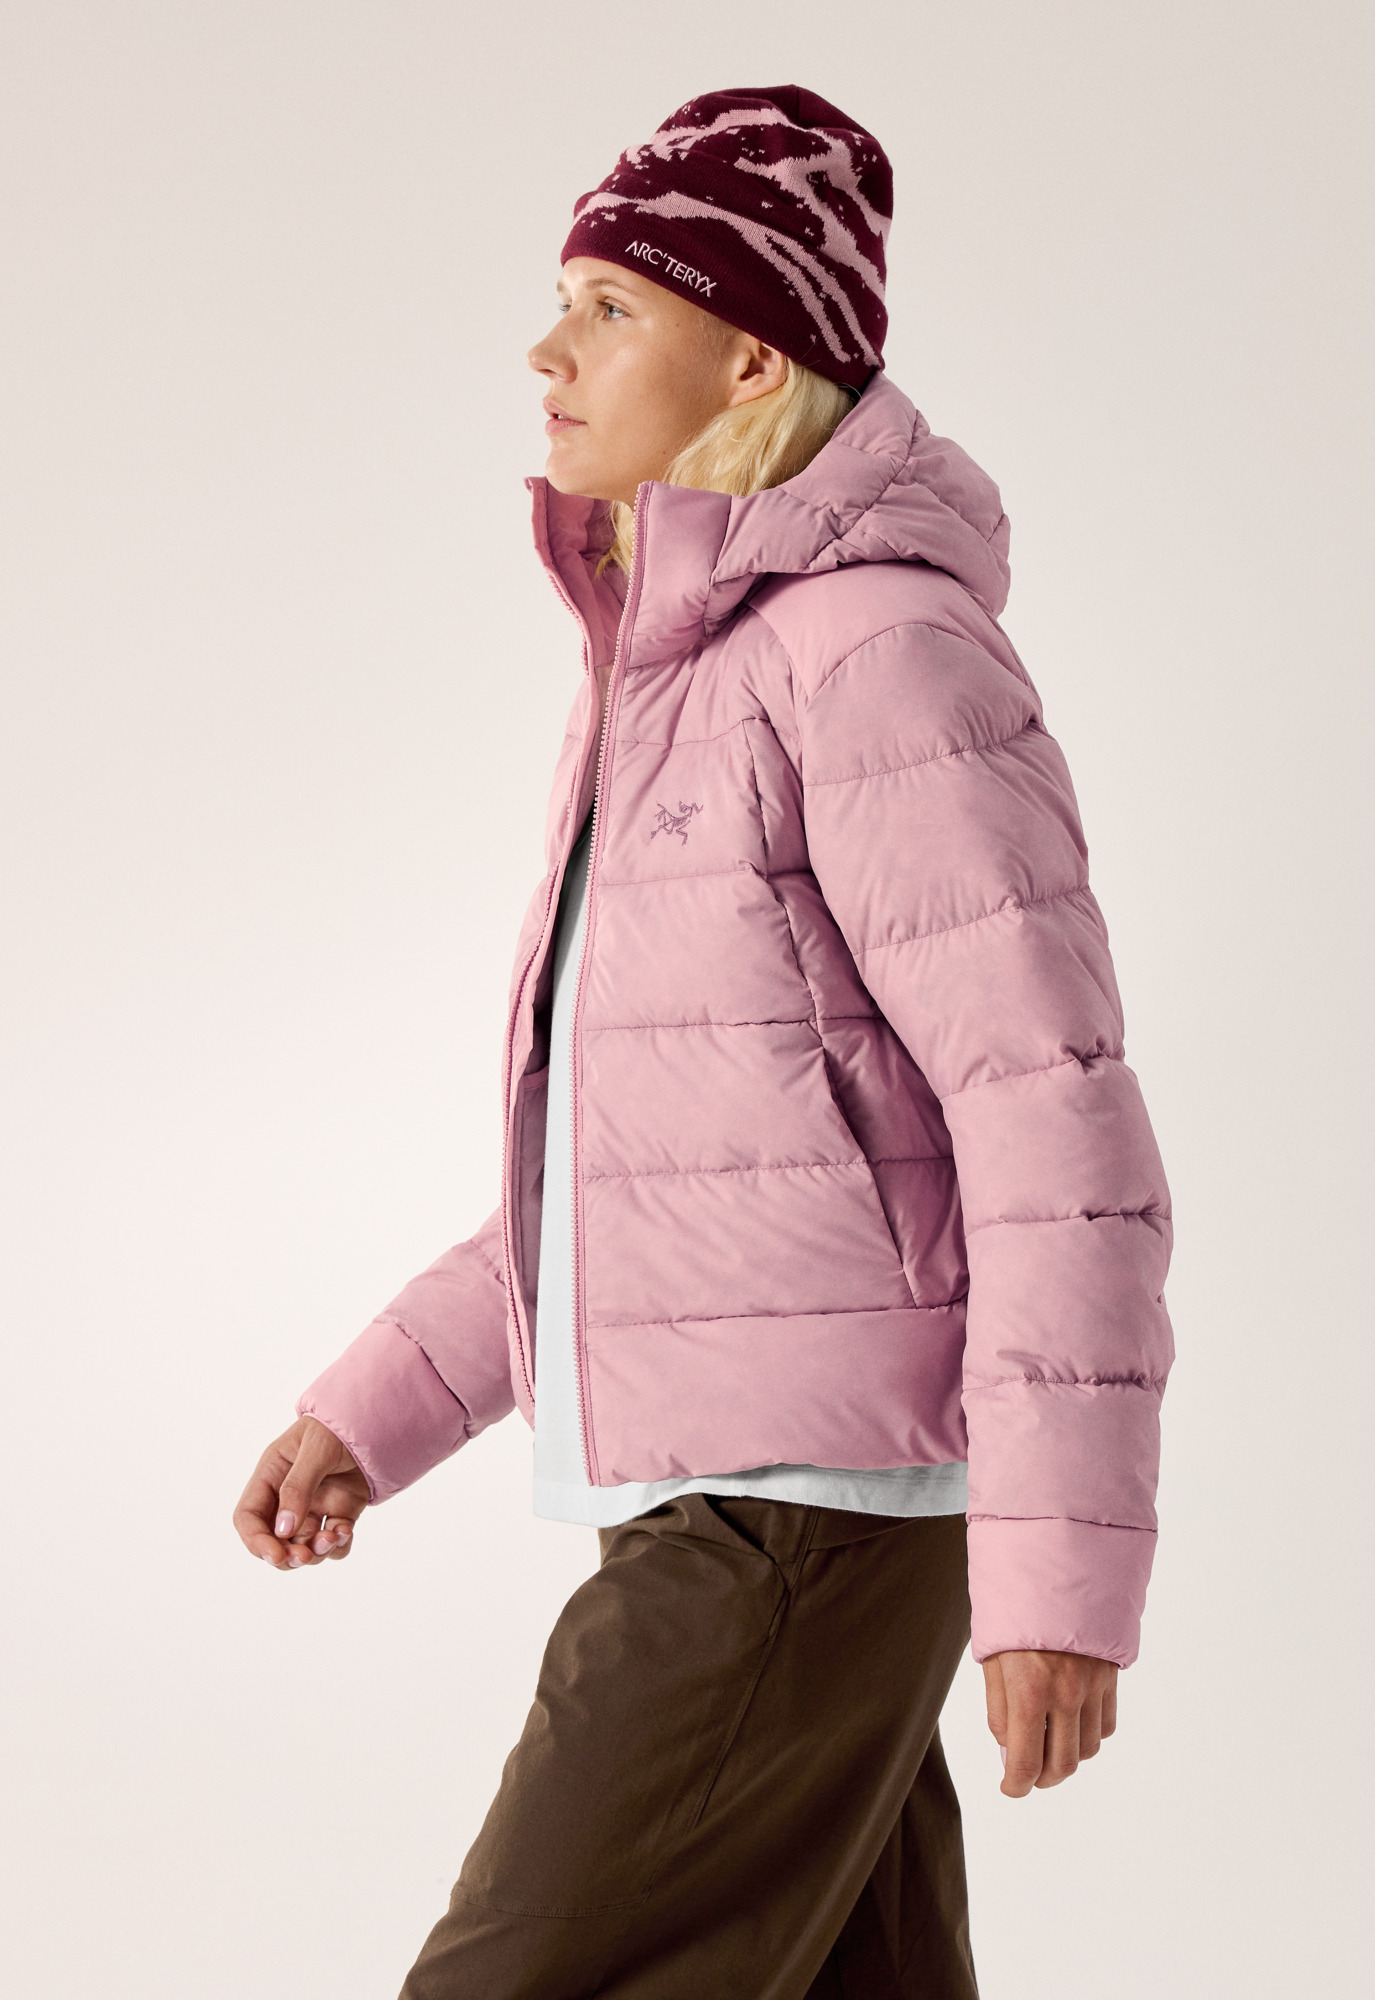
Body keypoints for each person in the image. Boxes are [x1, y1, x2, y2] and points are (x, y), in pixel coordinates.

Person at [233, 85, 1174, 1998]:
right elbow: (662, 1158)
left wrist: (1061, 1571)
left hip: (799, 1513)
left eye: (607, 306)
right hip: (750, 1498)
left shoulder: (879, 651)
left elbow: (1052, 1122)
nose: (547, 351)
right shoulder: (672, 680)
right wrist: (379, 1404)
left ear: (750, 354)